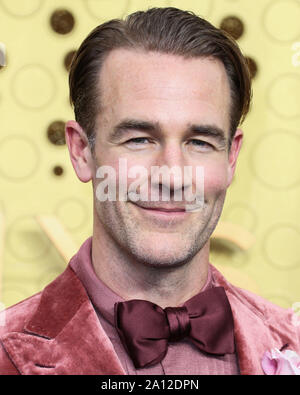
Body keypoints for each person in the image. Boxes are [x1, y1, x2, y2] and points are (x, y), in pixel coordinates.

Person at [0, 7, 299, 376]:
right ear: (81, 151)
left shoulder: (291, 342)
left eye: (200, 142)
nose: (172, 176)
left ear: (231, 157)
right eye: (139, 139)